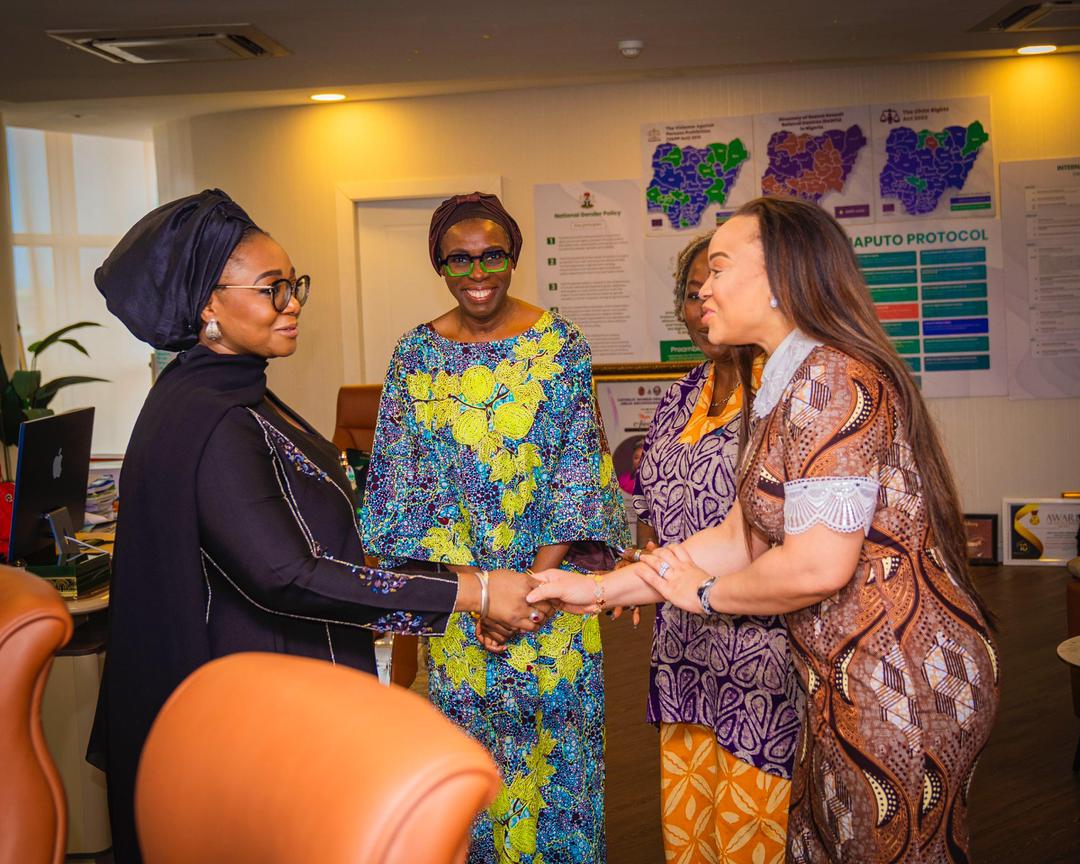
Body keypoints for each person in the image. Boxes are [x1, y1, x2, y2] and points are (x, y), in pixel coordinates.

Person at [529, 196, 1000, 863]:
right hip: (838, 674)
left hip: (896, 676)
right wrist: (599, 590)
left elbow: (815, 566)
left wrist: (705, 595)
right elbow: (736, 538)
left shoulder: (831, 379)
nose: (704, 289)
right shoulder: (787, 381)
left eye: (720, 268)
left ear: (780, 279)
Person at [89, 190, 546, 863]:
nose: (292, 303)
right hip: (251, 710)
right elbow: (286, 574)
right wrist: (474, 591)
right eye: (271, 289)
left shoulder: (224, 390)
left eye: (294, 284)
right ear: (208, 305)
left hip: (250, 685)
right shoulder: (215, 419)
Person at [359, 192, 629, 863]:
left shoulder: (560, 345)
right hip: (461, 610)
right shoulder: (415, 356)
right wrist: (481, 593)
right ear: (439, 265)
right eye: (460, 259)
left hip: (553, 603)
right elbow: (402, 489)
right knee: (472, 780)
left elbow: (576, 475)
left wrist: (528, 593)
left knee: (559, 779)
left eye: (492, 256)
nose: (477, 273)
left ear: (513, 258)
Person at [623, 232, 797, 863]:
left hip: (764, 647)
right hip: (683, 649)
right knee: (692, 820)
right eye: (692, 293)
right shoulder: (680, 396)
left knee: (755, 822)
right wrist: (639, 565)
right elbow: (653, 506)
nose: (703, 306)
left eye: (715, 287)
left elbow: (773, 531)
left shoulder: (785, 390)